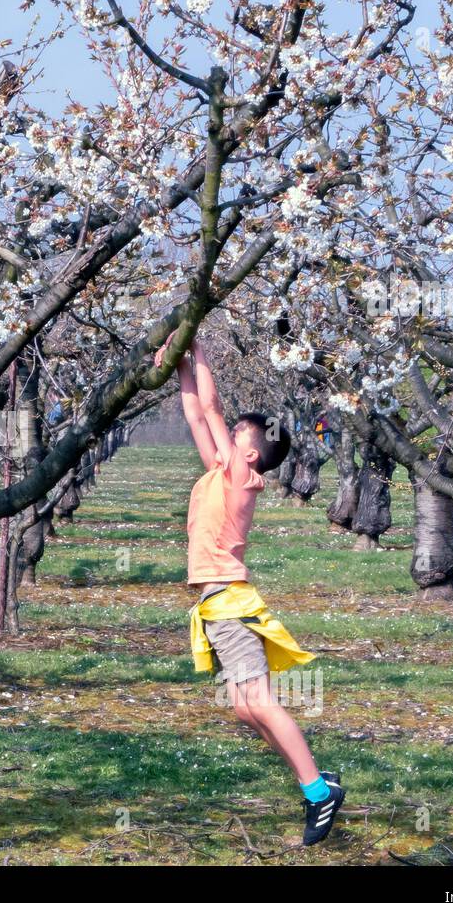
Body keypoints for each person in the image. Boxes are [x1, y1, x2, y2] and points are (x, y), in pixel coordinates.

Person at [157, 335, 345, 846]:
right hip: (215, 608)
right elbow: (198, 416)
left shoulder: (242, 479)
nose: (229, 431)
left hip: (230, 605)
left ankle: (317, 792)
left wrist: (198, 350)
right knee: (243, 708)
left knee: (258, 701)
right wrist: (179, 370)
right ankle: (318, 784)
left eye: (239, 433)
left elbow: (212, 408)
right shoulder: (221, 472)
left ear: (253, 453)